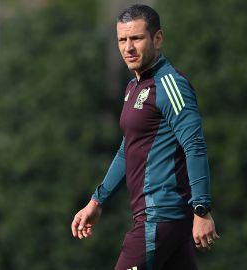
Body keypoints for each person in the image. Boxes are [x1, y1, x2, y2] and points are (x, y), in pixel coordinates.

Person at [71, 4, 219, 270]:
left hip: (160, 216)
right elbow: (128, 148)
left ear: (157, 38)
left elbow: (194, 145)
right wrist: (97, 201)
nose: (128, 48)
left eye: (137, 38)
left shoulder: (170, 85)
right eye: (122, 40)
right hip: (162, 220)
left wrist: (202, 208)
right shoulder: (133, 87)